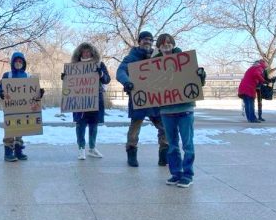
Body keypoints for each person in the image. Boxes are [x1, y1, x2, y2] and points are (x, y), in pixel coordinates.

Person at [153, 34, 206, 188]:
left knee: (187, 144)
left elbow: (198, 83)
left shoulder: (185, 61)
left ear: (173, 44)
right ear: (159, 47)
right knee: (172, 145)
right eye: (163, 44)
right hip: (166, 111)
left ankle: (188, 174)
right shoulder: (153, 65)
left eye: (169, 43)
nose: (166, 46)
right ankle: (176, 173)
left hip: (185, 109)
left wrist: (201, 75)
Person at [116, 30, 169, 167]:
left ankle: (164, 154)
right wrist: (127, 82)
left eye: (150, 40)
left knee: (164, 127)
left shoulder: (157, 57)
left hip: (155, 99)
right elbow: (120, 71)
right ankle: (131, 153)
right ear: (139, 41)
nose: (148, 42)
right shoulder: (131, 58)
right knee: (135, 128)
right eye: (145, 39)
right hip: (139, 98)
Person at [62, 42, 111, 160]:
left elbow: (107, 80)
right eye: (84, 51)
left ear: (92, 52)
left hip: (95, 99)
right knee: (80, 124)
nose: (86, 53)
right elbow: (70, 84)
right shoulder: (74, 66)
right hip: (79, 100)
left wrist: (101, 74)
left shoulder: (99, 65)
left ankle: (92, 148)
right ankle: (81, 148)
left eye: (88, 51)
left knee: (94, 124)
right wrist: (65, 78)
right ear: (79, 53)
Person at [0, 52, 45, 162]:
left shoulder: (27, 76)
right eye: (16, 61)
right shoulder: (7, 75)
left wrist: (40, 93)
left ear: (23, 63)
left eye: (20, 61)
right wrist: (1, 93)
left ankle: (18, 151)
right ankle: (8, 153)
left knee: (20, 130)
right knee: (10, 130)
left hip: (23, 108)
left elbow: (33, 92)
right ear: (12, 63)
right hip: (10, 108)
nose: (18, 63)